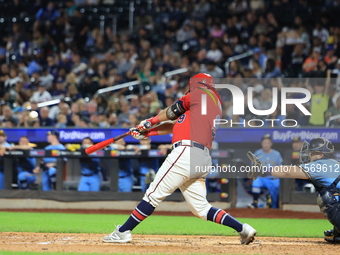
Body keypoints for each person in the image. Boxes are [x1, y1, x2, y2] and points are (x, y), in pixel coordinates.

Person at [102, 73, 257, 245]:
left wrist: (150, 121)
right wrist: (147, 132)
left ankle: (123, 231)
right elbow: (175, 124)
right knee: (202, 208)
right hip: (202, 157)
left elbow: (172, 111)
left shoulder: (200, 93)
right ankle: (243, 229)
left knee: (153, 195)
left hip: (186, 153)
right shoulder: (211, 104)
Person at [247, 137, 340, 243]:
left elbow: (288, 172)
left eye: (312, 153)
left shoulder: (322, 165)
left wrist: (263, 169)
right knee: (334, 193)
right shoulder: (334, 163)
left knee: (327, 197)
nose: (309, 155)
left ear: (321, 155)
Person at [248, 134, 282, 209]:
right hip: (261, 177)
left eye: (268, 143)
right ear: (262, 144)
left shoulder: (277, 154)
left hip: (273, 178)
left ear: (271, 144)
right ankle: (255, 203)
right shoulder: (257, 153)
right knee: (256, 181)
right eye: (264, 143)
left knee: (276, 188)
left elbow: (281, 168)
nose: (266, 145)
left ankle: (274, 205)